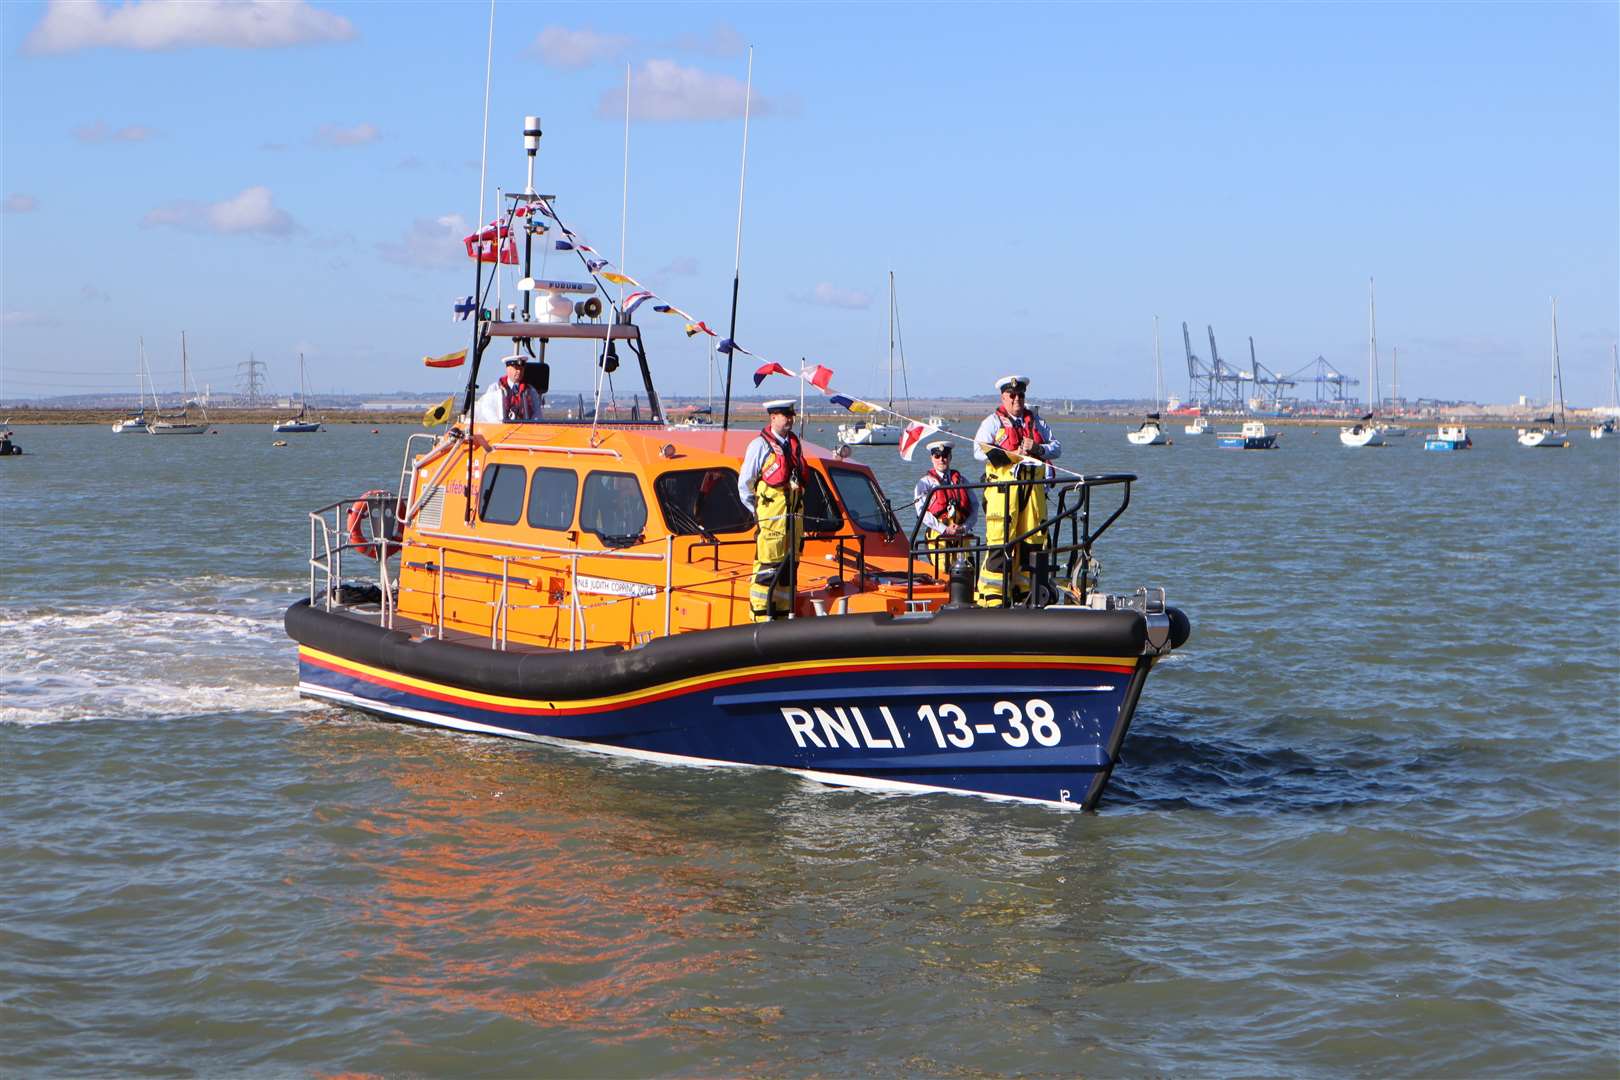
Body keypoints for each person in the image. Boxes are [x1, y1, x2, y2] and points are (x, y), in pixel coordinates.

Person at [972, 374, 1061, 606]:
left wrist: (1038, 448)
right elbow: (978, 450)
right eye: (1012, 396)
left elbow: (1056, 448)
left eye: (1020, 395)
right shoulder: (992, 422)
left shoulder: (1037, 422)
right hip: (1004, 492)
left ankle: (1030, 593)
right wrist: (1008, 452)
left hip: (1033, 493)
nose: (1016, 399)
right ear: (1003, 397)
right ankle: (994, 597)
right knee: (1001, 540)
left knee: (1034, 541)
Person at [737, 399, 806, 622]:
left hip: (793, 521)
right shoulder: (759, 446)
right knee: (767, 568)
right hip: (771, 520)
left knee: (789, 569)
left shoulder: (795, 445)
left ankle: (785, 614)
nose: (790, 419)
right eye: (785, 415)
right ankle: (760, 614)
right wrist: (758, 512)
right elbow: (745, 484)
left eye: (791, 415)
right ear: (773, 417)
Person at [912, 440, 975, 579]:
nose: (941, 459)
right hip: (938, 538)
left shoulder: (962, 480)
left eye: (945, 455)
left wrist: (965, 527)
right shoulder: (925, 484)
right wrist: (944, 529)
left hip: (961, 536)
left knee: (969, 573)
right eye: (937, 456)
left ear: (950, 457)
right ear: (932, 458)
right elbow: (921, 513)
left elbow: (974, 506)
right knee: (943, 575)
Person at [473, 355, 542, 423]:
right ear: (508, 369)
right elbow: (487, 409)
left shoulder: (530, 391)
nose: (519, 371)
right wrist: (500, 425)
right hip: (501, 431)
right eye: (516, 368)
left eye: (521, 368)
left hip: (524, 431)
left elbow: (537, 413)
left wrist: (530, 426)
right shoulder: (495, 388)